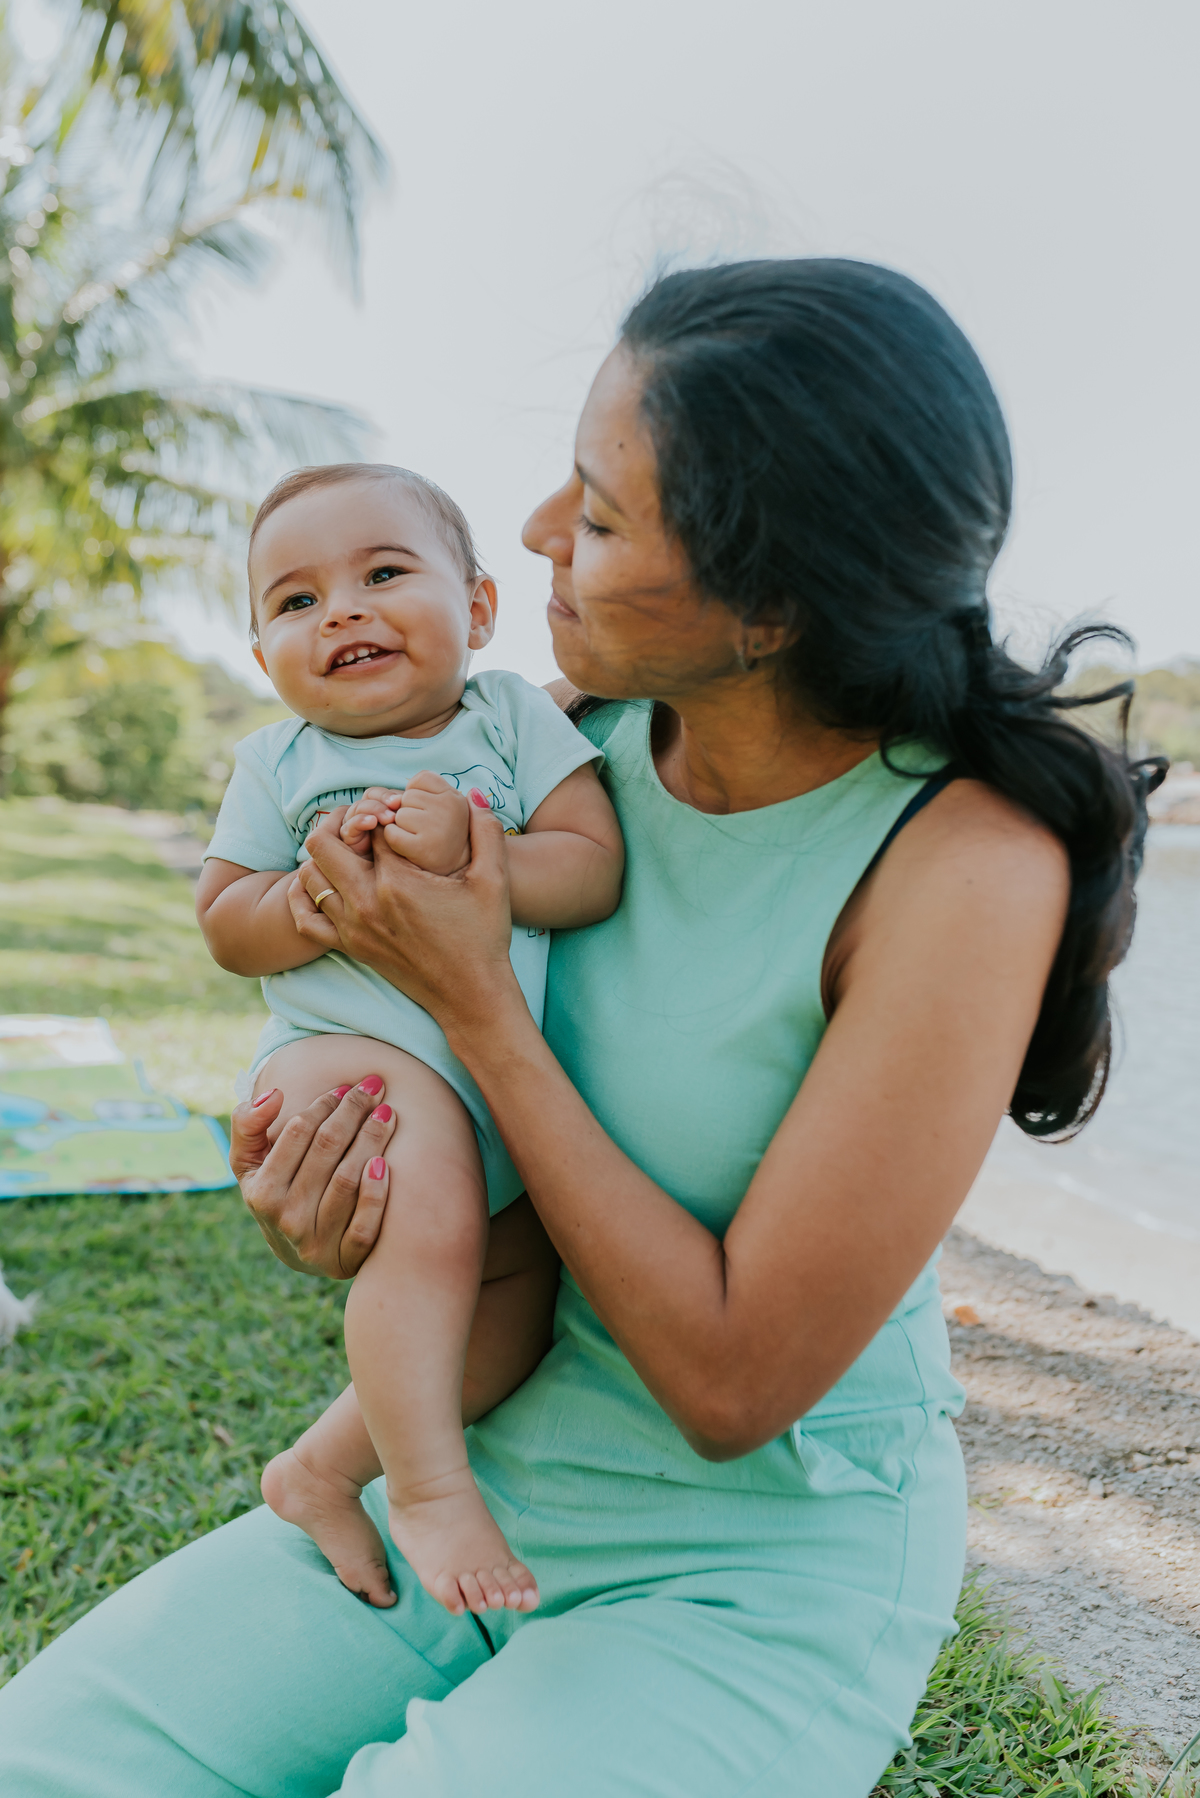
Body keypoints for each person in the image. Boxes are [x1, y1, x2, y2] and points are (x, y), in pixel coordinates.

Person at [0, 259, 1158, 1798]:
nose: (538, 534)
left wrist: (479, 1007)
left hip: (745, 1570)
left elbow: (736, 1384)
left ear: (772, 606)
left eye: (601, 518)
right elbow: (382, 1059)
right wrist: (331, 1188)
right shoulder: (557, 739)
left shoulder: (962, 865)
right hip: (473, 1479)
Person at [196, 463, 623, 1616]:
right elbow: (226, 921)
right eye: (295, 601)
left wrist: (485, 858)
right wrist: (301, 904)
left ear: (478, 610)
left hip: (487, 1083)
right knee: (430, 1219)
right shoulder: (279, 763)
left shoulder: (512, 718)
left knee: (521, 1298)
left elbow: (590, 866)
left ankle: (324, 1467)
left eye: (382, 574)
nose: (339, 610)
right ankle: (431, 1489)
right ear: (264, 660)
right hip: (347, 1057)